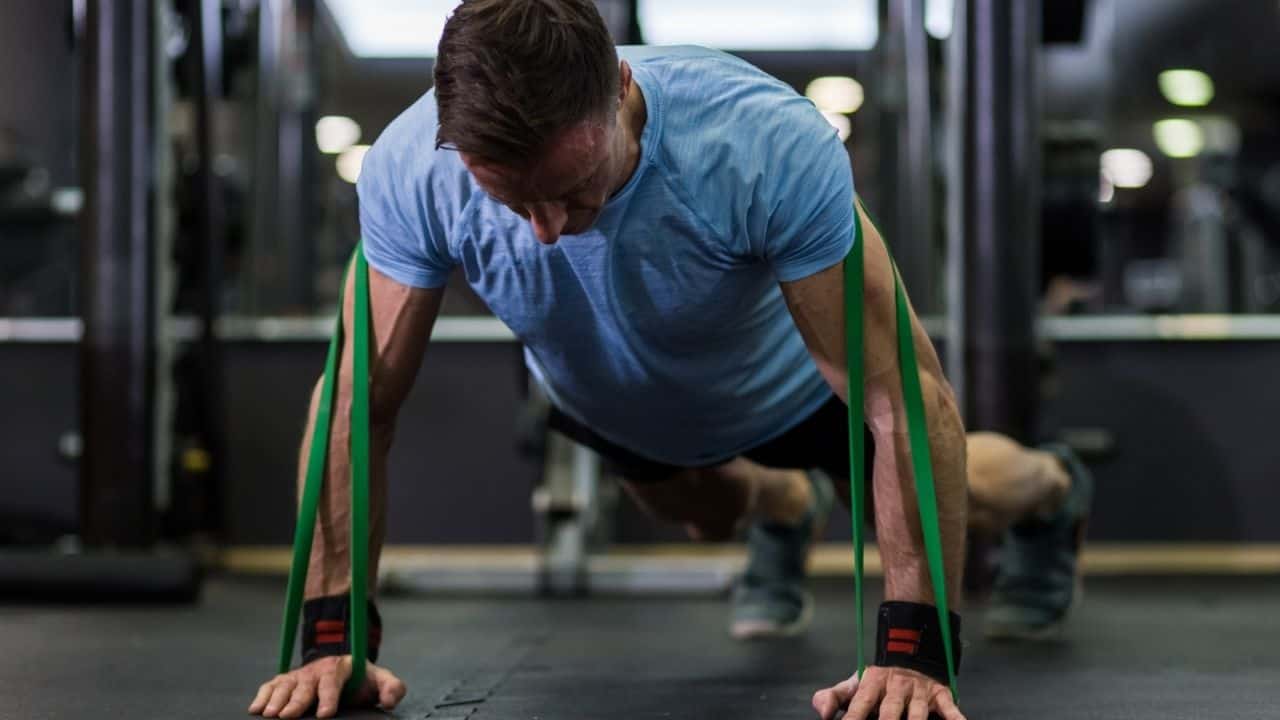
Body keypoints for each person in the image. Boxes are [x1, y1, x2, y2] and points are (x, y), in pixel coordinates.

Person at [247, 2, 1091, 718]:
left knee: (972, 492)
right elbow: (359, 401)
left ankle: (1054, 489)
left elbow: (902, 400)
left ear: (619, 88)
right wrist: (332, 638)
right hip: (616, 401)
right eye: (515, 201)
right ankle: (787, 506)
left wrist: (914, 652)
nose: (547, 231)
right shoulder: (411, 169)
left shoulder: (759, 140)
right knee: (706, 516)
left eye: (575, 192)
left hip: (792, 387)